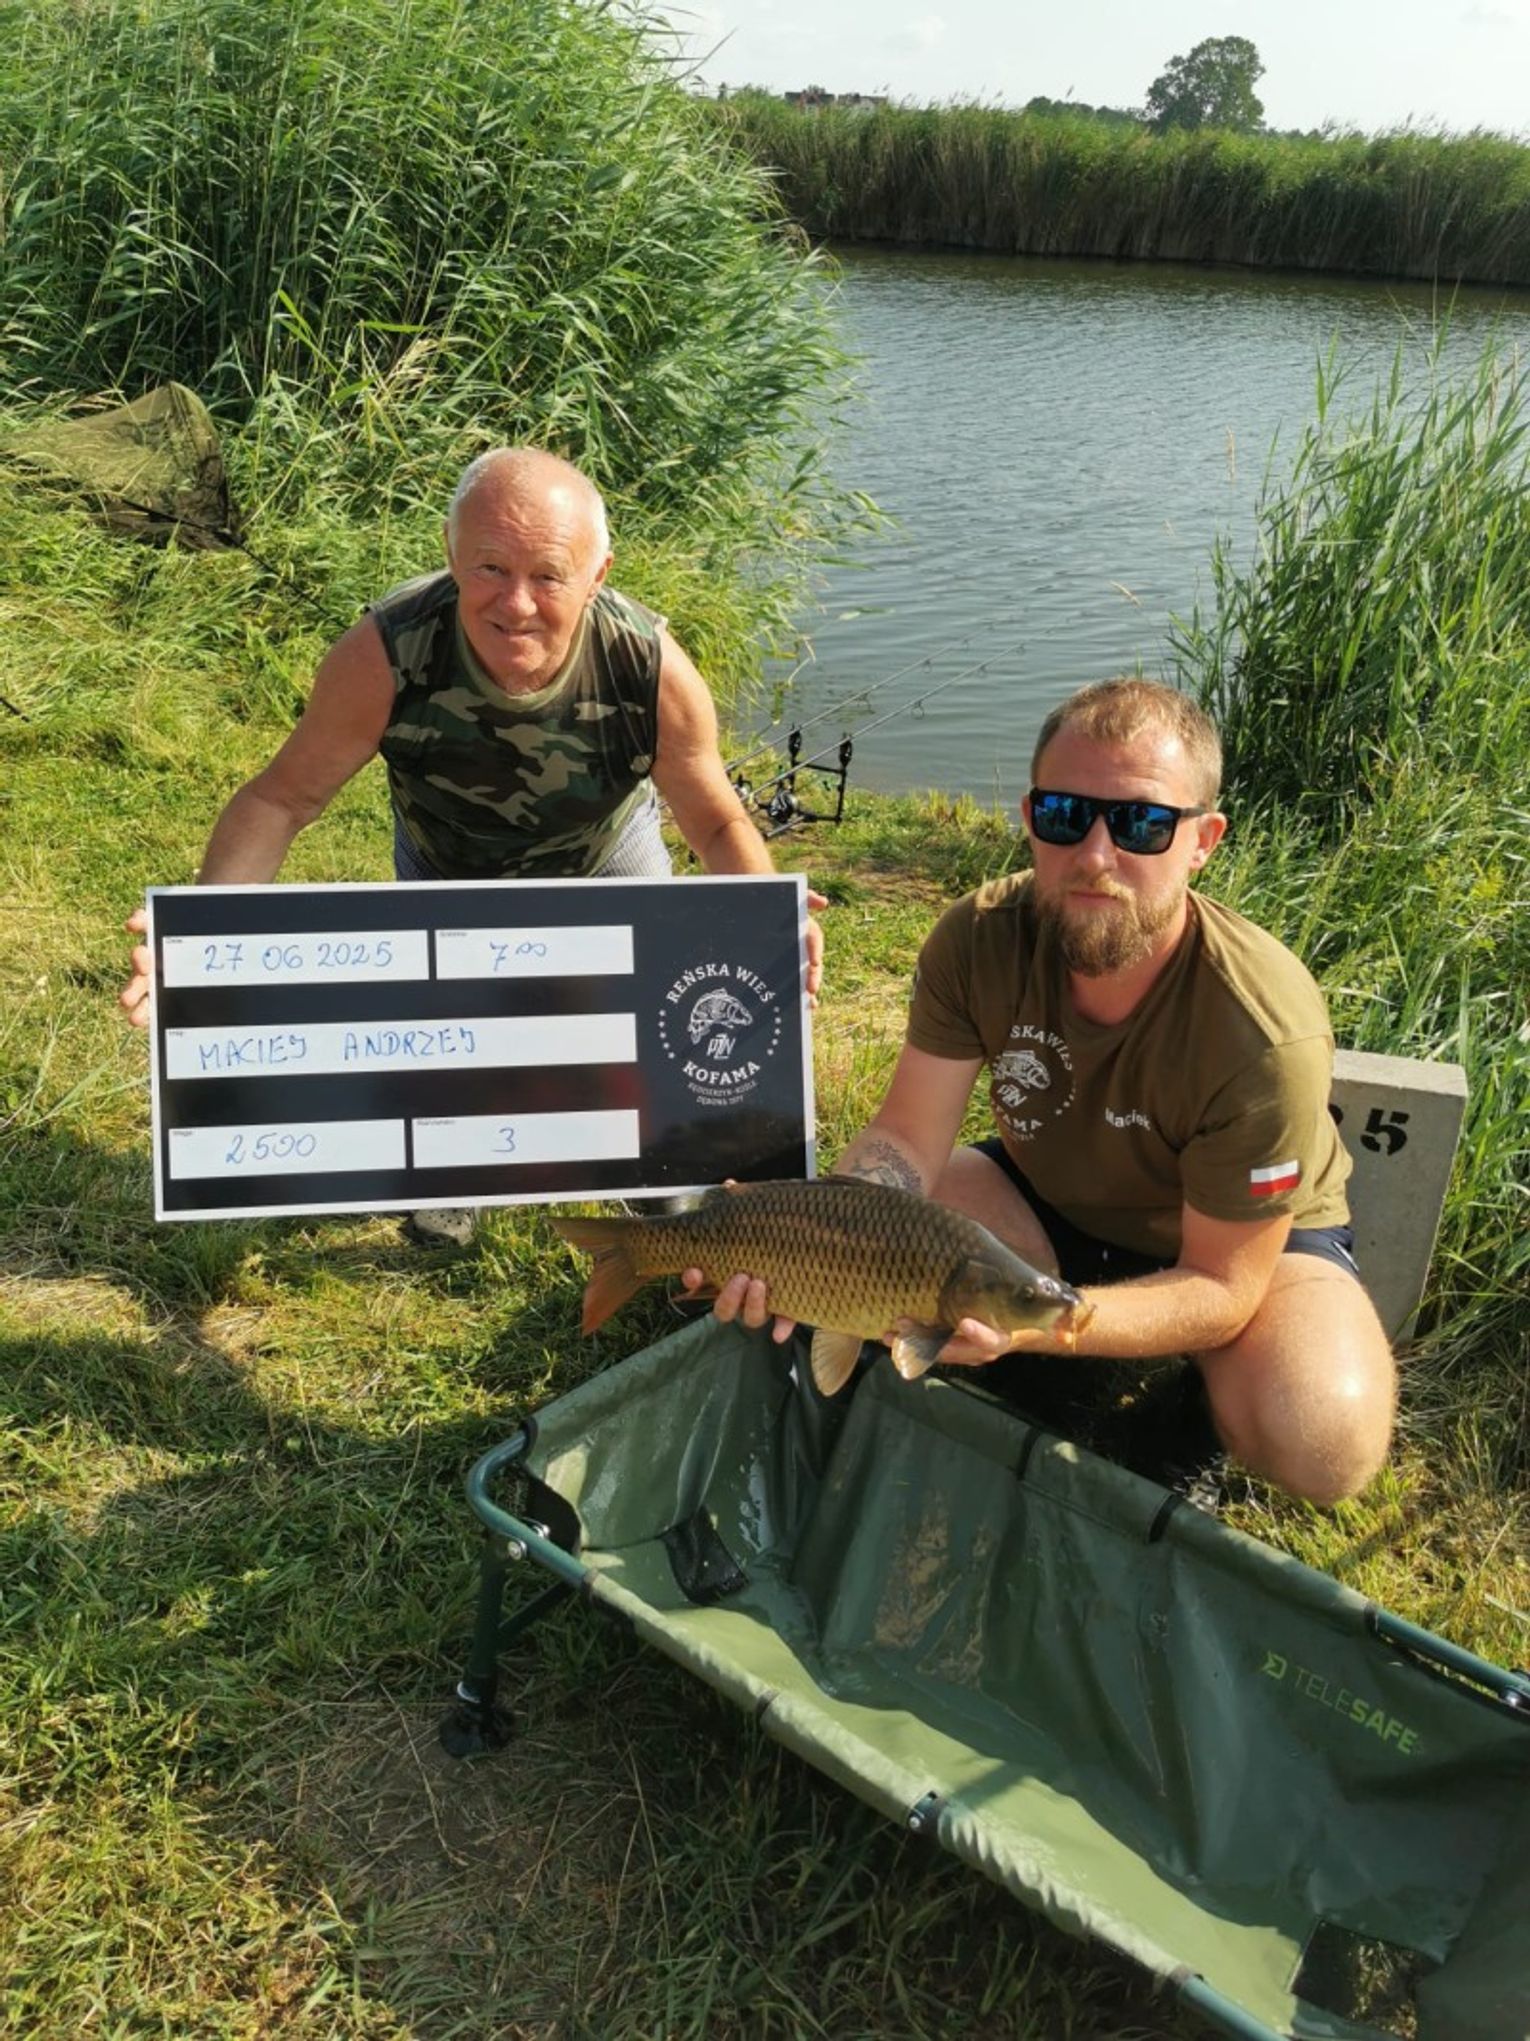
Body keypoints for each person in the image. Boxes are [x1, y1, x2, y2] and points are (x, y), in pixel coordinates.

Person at [704, 677, 1395, 1507]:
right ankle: (1058, 1351)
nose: (1096, 856)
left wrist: (1036, 1327)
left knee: (1324, 1440)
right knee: (889, 1227)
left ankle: (1189, 1404)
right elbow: (907, 1141)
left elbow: (1223, 1285)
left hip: (1237, 1238)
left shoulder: (1261, 1025)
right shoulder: (977, 938)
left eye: (1141, 823)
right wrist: (799, 1241)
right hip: (1049, 1195)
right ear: (1032, 818)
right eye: (1067, 815)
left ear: (1202, 841)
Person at [119, 446, 823, 1239]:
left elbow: (717, 821)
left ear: (597, 575)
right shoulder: (386, 651)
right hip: (447, 864)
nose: (516, 603)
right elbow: (280, 800)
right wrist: (200, 942)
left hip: (603, 854)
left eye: (549, 575)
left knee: (640, 1013)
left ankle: (656, 1162)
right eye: (490, 567)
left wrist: (771, 922)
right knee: (455, 1025)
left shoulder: (648, 665)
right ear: (451, 554)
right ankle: (456, 1164)